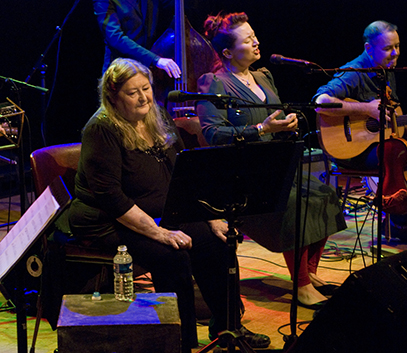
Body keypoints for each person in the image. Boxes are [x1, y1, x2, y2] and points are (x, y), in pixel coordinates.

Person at [67, 58, 271, 351]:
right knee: (173, 254)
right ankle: (180, 341)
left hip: (160, 213)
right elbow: (111, 197)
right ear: (113, 96)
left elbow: (184, 172)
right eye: (132, 92)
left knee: (217, 242)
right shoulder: (102, 129)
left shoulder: (155, 115)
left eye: (146, 88)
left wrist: (210, 216)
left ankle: (228, 326)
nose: (143, 97)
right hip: (108, 219)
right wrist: (160, 232)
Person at [196, 12, 346, 309]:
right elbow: (213, 133)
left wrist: (286, 123)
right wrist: (262, 129)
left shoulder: (263, 76)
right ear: (227, 52)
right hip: (243, 174)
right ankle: (300, 284)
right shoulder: (214, 83)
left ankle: (309, 273)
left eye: (255, 36)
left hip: (275, 166)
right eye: (248, 39)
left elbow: (273, 118)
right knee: (293, 205)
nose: (256, 42)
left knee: (325, 195)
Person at [314, 20, 407, 244]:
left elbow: (396, 119)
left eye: (398, 46)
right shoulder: (355, 71)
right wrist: (366, 109)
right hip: (351, 150)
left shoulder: (386, 70)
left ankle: (401, 219)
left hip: (378, 145)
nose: (395, 53)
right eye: (387, 48)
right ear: (368, 49)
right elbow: (320, 102)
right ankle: (401, 225)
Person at [93, 0, 181, 78]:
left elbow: (173, 5)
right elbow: (115, 38)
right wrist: (155, 59)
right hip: (120, 70)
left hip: (148, 71)